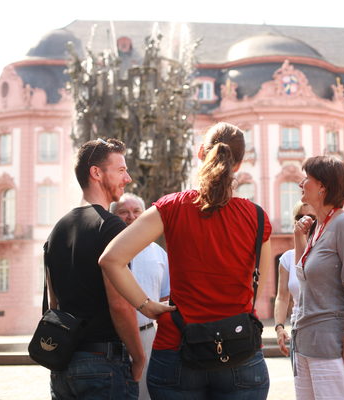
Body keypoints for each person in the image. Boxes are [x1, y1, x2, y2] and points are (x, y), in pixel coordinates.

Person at [99, 122, 272, 399]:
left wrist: (146, 306)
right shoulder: (258, 217)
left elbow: (110, 259)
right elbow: (256, 290)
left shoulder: (171, 206)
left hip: (177, 347)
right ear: (238, 164)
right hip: (239, 348)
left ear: (201, 153)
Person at [44, 138, 141, 399]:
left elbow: (53, 304)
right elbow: (120, 305)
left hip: (63, 366)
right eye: (121, 170)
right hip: (103, 362)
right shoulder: (110, 227)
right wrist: (139, 357)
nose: (128, 178)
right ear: (96, 173)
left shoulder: (57, 229)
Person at [292, 155, 344, 400]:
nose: (301, 184)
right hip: (305, 343)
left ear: (323, 187)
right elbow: (303, 276)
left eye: (307, 179)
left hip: (330, 345)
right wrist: (299, 240)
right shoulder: (319, 227)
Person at [111, 193, 170, 400]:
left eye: (137, 211)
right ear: (113, 216)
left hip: (147, 334)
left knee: (145, 394)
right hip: (112, 336)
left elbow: (166, 297)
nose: (131, 217)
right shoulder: (107, 251)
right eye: (123, 212)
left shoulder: (158, 253)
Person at [273, 201, 316, 357]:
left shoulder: (327, 251)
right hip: (298, 328)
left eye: (311, 216)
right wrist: (279, 327)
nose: (304, 220)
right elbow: (282, 297)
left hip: (325, 328)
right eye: (299, 217)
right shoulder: (287, 258)